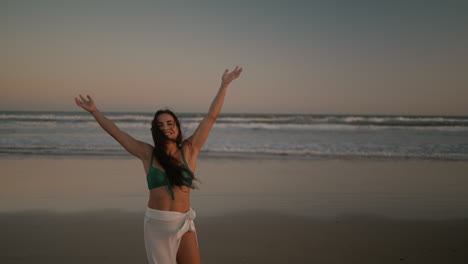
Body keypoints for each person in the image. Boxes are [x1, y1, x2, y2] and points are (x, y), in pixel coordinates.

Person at [74, 66, 242, 264]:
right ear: (155, 130)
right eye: (160, 125)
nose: (166, 128)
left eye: (170, 123)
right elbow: (118, 133)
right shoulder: (148, 154)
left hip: (184, 222)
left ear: (177, 126)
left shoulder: (190, 149)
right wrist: (95, 112)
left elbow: (211, 117)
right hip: (157, 226)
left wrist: (224, 85)